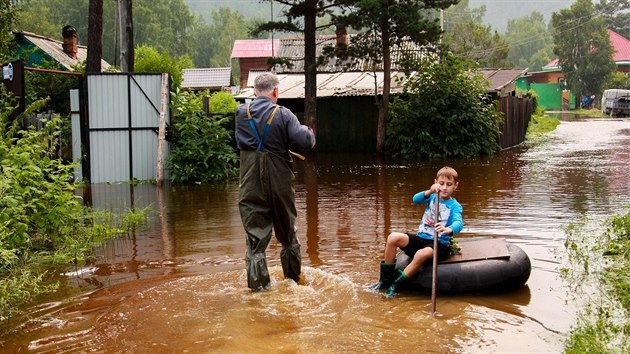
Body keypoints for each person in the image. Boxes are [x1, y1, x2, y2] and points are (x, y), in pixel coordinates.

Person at [235, 73, 316, 291]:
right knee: (288, 235)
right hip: (280, 184)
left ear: (254, 92)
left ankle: (258, 292)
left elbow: (244, 142)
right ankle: (293, 284)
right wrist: (310, 131)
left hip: (250, 183)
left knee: (255, 241)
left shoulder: (241, 113)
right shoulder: (284, 114)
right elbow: (305, 142)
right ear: (275, 92)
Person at [370, 166, 463, 298]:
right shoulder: (431, 197)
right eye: (441, 184)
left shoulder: (455, 206)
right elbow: (415, 199)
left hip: (438, 244)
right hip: (421, 238)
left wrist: (450, 229)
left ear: (455, 186)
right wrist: (429, 191)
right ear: (435, 182)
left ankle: (396, 285)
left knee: (421, 254)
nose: (444, 188)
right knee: (392, 237)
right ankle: (384, 280)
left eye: (449, 184)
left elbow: (459, 222)